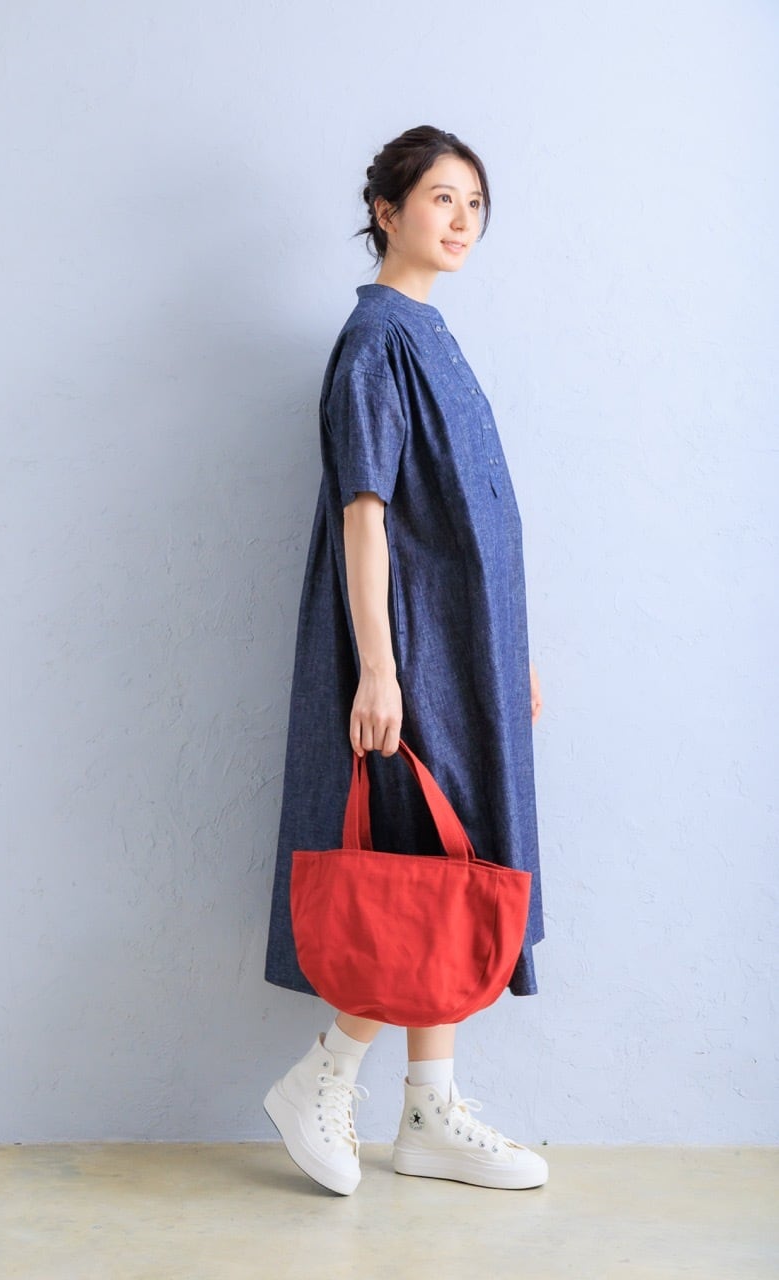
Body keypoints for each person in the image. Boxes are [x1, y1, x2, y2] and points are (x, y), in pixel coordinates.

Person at [262, 125, 547, 1196]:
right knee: (413, 857)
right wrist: (378, 669)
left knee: (454, 868)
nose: (462, 218)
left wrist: (509, 650)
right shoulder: (376, 339)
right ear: (385, 211)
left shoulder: (429, 332)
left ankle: (428, 1108)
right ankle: (325, 1074)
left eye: (475, 201)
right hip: (414, 646)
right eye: (440, 197)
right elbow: (365, 511)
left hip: (466, 651)